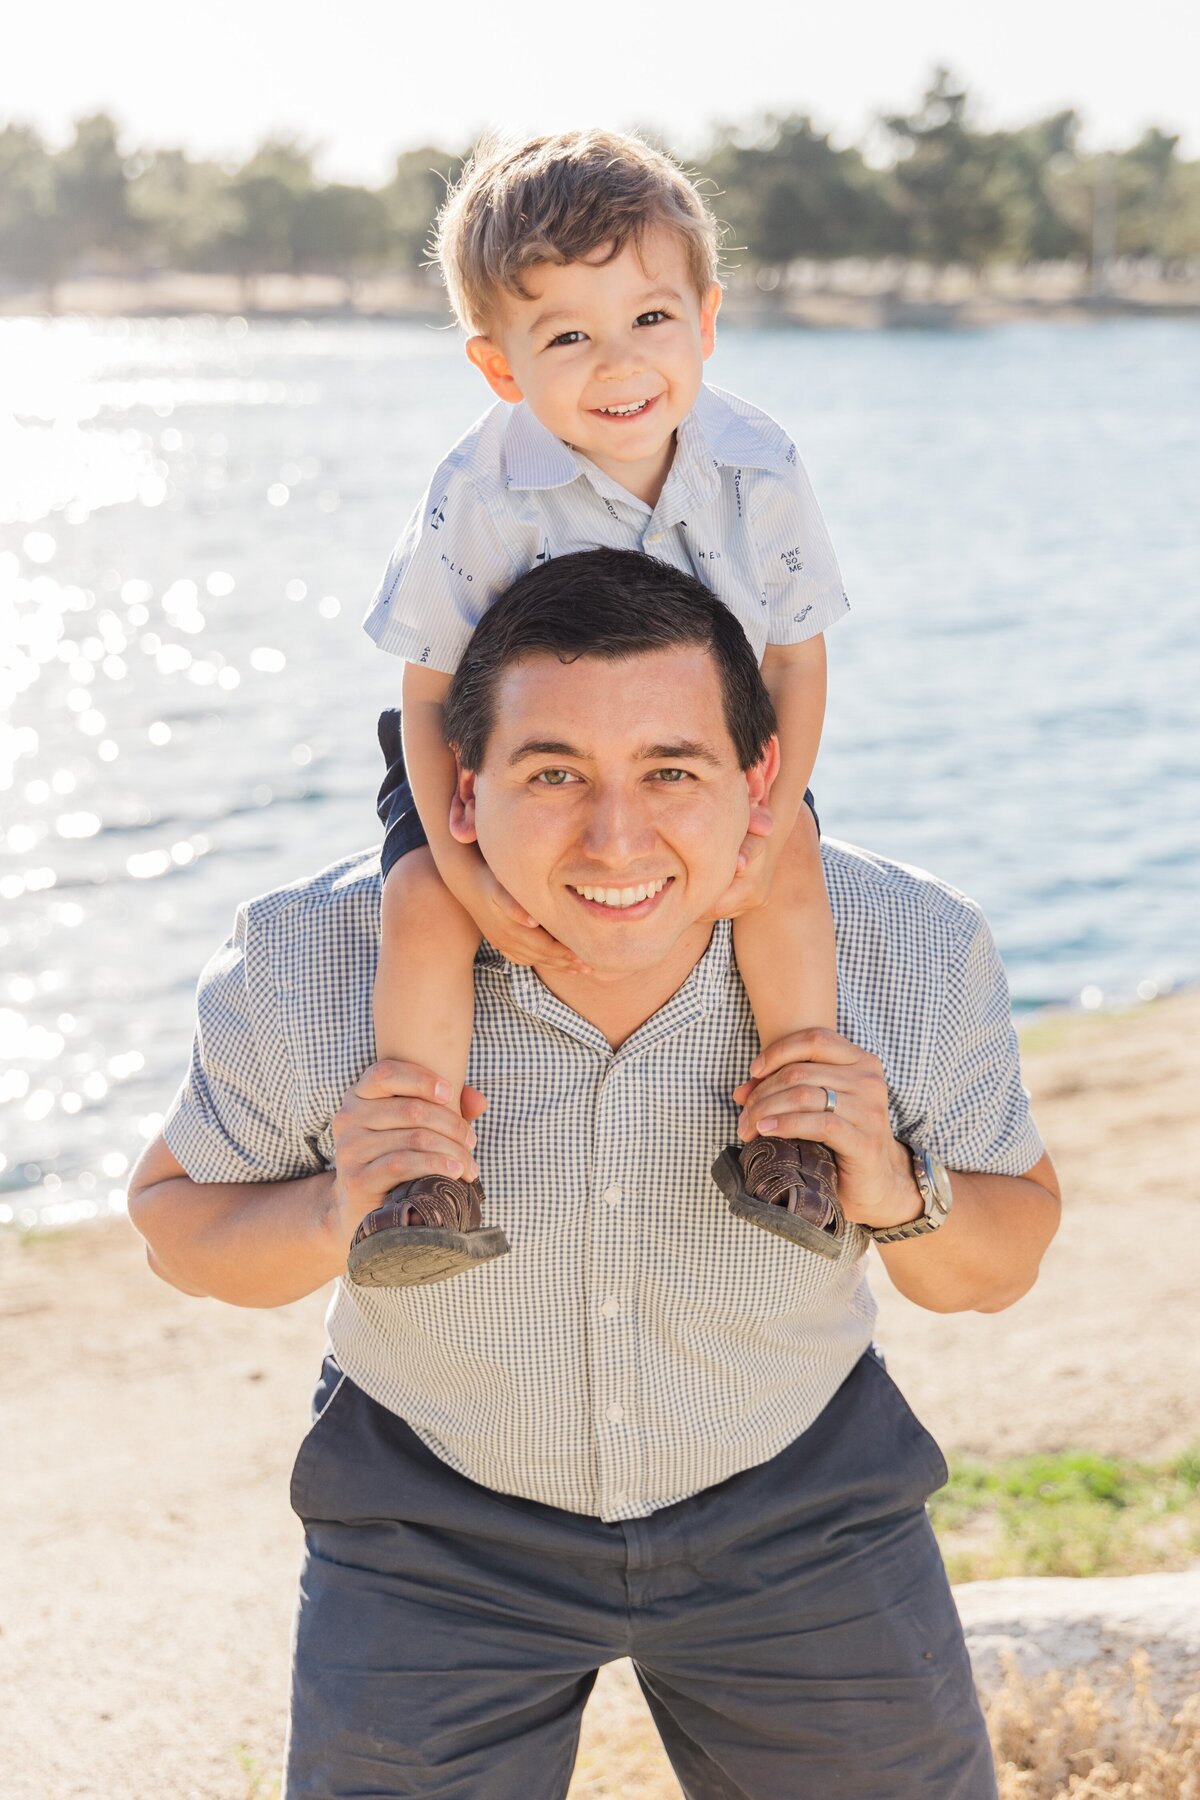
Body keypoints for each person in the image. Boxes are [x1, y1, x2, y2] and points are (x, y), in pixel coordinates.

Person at [129, 549, 1060, 1800]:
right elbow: (176, 1223)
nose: (617, 837)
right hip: (430, 1520)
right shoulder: (310, 958)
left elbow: (1003, 1264)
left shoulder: (909, 944)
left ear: (761, 775)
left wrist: (896, 1189)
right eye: (554, 773)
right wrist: (327, 1207)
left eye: (672, 771)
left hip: (801, 1503)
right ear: (461, 793)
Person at [358, 128, 852, 1287]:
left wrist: (767, 825)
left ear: (706, 319)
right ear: (500, 366)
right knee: (425, 904)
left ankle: (798, 1127)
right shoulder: (479, 492)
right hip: (493, 754)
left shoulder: (758, 465)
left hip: (714, 747)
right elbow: (426, 694)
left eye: (649, 320)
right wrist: (465, 860)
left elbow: (798, 660)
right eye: (567, 336)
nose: (619, 363)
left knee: (792, 877)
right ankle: (422, 1170)